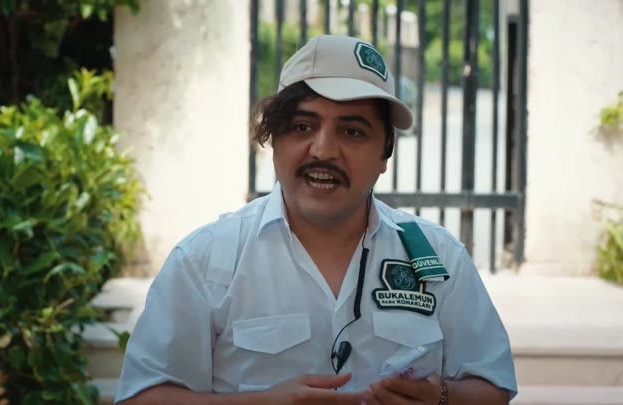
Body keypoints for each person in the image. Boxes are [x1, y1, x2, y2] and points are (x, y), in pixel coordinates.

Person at [115, 34, 517, 405]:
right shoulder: (204, 262)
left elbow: (493, 386)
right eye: (303, 126)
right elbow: (140, 397)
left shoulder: (438, 257)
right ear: (273, 139)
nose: (323, 151)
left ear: (386, 152)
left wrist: (442, 398)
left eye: (352, 132)